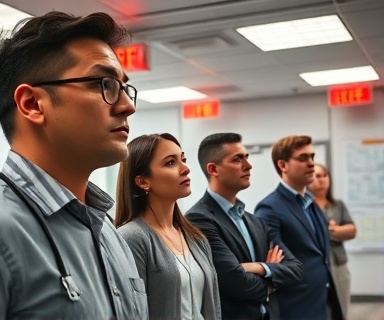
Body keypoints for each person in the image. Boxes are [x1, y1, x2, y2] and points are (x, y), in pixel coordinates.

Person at [0, 11, 147, 319]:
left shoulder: (106, 230)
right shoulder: (7, 231)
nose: (127, 106)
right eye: (104, 84)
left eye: (124, 87)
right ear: (32, 104)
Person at [185, 132, 303, 320]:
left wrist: (258, 267)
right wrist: (272, 275)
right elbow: (237, 283)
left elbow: (296, 269)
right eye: (237, 159)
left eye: (246, 157)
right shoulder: (198, 219)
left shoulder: (255, 221)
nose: (248, 165)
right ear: (214, 169)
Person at [115, 133, 221, 320]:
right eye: (170, 163)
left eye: (183, 159)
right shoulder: (131, 237)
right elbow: (131, 312)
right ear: (142, 181)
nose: (186, 169)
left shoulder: (195, 238)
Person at [254, 135, 343, 320]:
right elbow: (280, 262)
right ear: (283, 165)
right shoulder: (269, 208)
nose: (311, 163)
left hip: (323, 299)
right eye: (303, 158)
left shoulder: (311, 203)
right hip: (295, 305)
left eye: (312, 157)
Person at [308, 163, 357, 319]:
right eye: (316, 176)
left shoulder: (338, 205)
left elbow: (352, 230)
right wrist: (335, 230)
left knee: (341, 310)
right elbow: (307, 233)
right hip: (315, 265)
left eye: (324, 175)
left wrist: (327, 230)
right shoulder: (304, 206)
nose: (321, 180)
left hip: (338, 263)